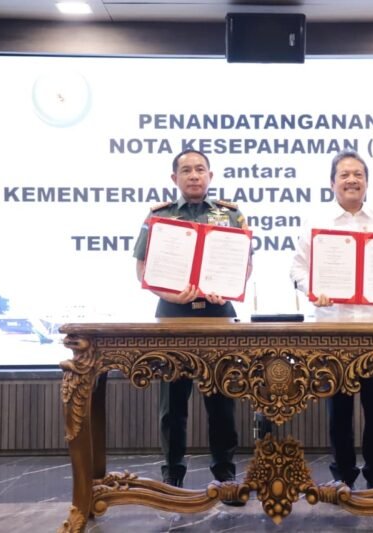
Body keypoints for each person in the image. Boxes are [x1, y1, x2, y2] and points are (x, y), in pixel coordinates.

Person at [133, 149, 249, 499]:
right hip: (173, 314)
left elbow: (244, 265)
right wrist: (170, 293)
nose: (194, 175)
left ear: (210, 176)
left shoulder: (231, 215)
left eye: (200, 169)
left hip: (218, 313)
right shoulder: (160, 216)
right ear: (175, 178)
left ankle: (225, 475)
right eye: (186, 170)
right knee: (173, 401)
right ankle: (173, 477)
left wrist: (226, 287)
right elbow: (142, 268)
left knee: (222, 399)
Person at [290, 150, 373, 489]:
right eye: (344, 175)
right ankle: (343, 476)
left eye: (358, 174)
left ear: (367, 182)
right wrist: (313, 288)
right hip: (333, 328)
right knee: (339, 409)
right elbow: (297, 270)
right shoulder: (317, 226)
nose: (352, 180)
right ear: (332, 183)